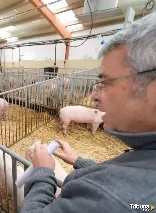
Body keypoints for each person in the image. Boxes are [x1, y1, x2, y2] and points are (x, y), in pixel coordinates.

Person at [19, 11, 156, 213]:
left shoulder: (111, 198)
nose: (94, 96)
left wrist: (43, 173)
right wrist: (79, 161)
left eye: (106, 83)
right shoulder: (145, 160)